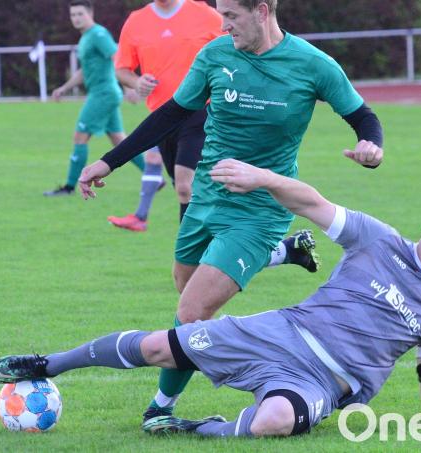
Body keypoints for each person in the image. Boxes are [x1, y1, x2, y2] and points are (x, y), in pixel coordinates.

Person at [0, 158, 421, 437]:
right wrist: (263, 178)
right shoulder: (377, 238)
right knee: (162, 346)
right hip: (281, 331)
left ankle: (197, 430)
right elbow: (312, 202)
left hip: (324, 380)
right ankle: (47, 365)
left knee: (273, 421)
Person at [78, 0, 384, 422]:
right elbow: (171, 114)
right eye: (221, 15)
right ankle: (282, 260)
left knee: (192, 312)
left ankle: (160, 409)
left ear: (262, 11)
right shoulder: (216, 55)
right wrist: (108, 161)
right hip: (205, 199)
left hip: (261, 209)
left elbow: (363, 117)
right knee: (183, 291)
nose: (222, 26)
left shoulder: (313, 64)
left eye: (231, 17)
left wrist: (371, 147)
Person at [106, 0, 224, 231]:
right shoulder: (136, 21)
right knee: (186, 188)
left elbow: (235, 52)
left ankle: (189, 255)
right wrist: (136, 81)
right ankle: (214, 242)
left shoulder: (207, 15)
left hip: (202, 111)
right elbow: (122, 69)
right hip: (162, 118)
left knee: (184, 184)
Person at [44, 0, 144, 196]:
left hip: (103, 94)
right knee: (119, 140)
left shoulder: (98, 34)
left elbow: (118, 57)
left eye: (80, 14)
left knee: (80, 137)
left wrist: (128, 86)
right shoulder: (86, 38)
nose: (76, 18)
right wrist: (64, 88)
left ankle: (69, 187)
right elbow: (84, 71)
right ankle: (153, 176)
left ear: (90, 13)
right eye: (73, 15)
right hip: (104, 94)